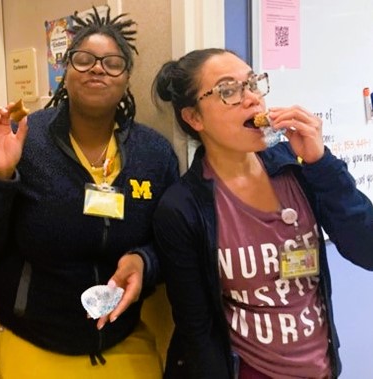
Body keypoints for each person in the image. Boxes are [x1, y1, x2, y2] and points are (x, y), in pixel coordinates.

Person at [0, 6, 179, 379]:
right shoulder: (24, 139)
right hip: (30, 338)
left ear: (126, 79)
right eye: (84, 59)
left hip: (120, 341)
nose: (97, 69)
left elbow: (169, 242)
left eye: (112, 63)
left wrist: (144, 261)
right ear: (65, 70)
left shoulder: (153, 154)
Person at [151, 48, 373, 378]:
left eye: (253, 83)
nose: (253, 98)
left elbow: (367, 248)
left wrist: (321, 162)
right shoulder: (182, 207)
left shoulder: (295, 166)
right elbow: (197, 331)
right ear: (194, 118)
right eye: (228, 91)